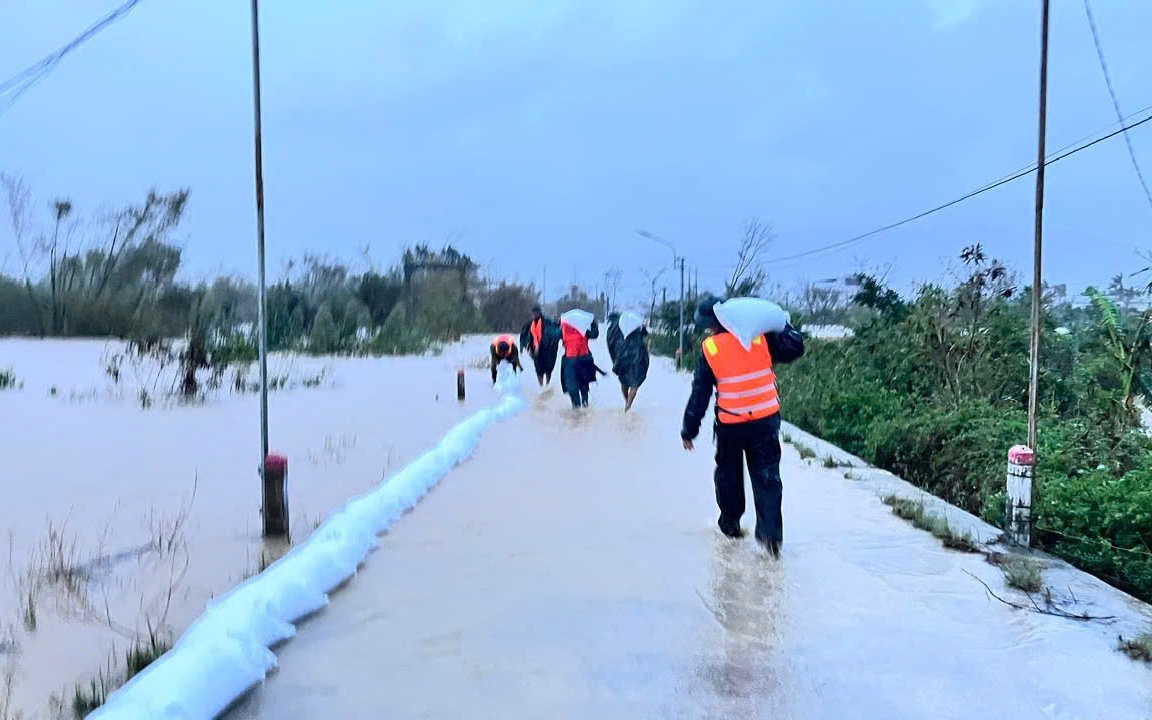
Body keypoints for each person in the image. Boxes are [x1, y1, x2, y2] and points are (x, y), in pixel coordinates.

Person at [680, 295, 805, 557]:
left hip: (731, 424)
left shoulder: (710, 349)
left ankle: (730, 527)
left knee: (728, 476)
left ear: (712, 324)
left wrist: (689, 429)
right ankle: (771, 538)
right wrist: (783, 323)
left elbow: (699, 394)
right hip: (765, 423)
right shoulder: (761, 338)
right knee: (767, 477)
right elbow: (795, 348)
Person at [559, 313, 601, 408]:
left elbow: (553, 335)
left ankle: (576, 410)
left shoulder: (564, 329)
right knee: (583, 385)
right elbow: (595, 334)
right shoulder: (584, 329)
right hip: (584, 360)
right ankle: (585, 405)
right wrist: (594, 323)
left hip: (570, 361)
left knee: (573, 387)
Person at [612, 313, 650, 412]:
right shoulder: (639, 331)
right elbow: (646, 335)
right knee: (634, 384)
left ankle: (627, 403)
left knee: (624, 382)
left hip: (624, 358)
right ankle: (628, 405)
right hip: (637, 359)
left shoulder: (620, 330)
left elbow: (615, 344)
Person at [520, 305, 562, 386]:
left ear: (540, 312)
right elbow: (523, 336)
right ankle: (541, 386)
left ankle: (547, 385)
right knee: (539, 369)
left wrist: (559, 322)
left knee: (548, 368)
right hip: (536, 349)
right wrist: (526, 346)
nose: (535, 314)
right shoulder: (529, 324)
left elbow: (556, 329)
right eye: (533, 313)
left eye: (536, 312)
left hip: (548, 349)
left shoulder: (547, 322)